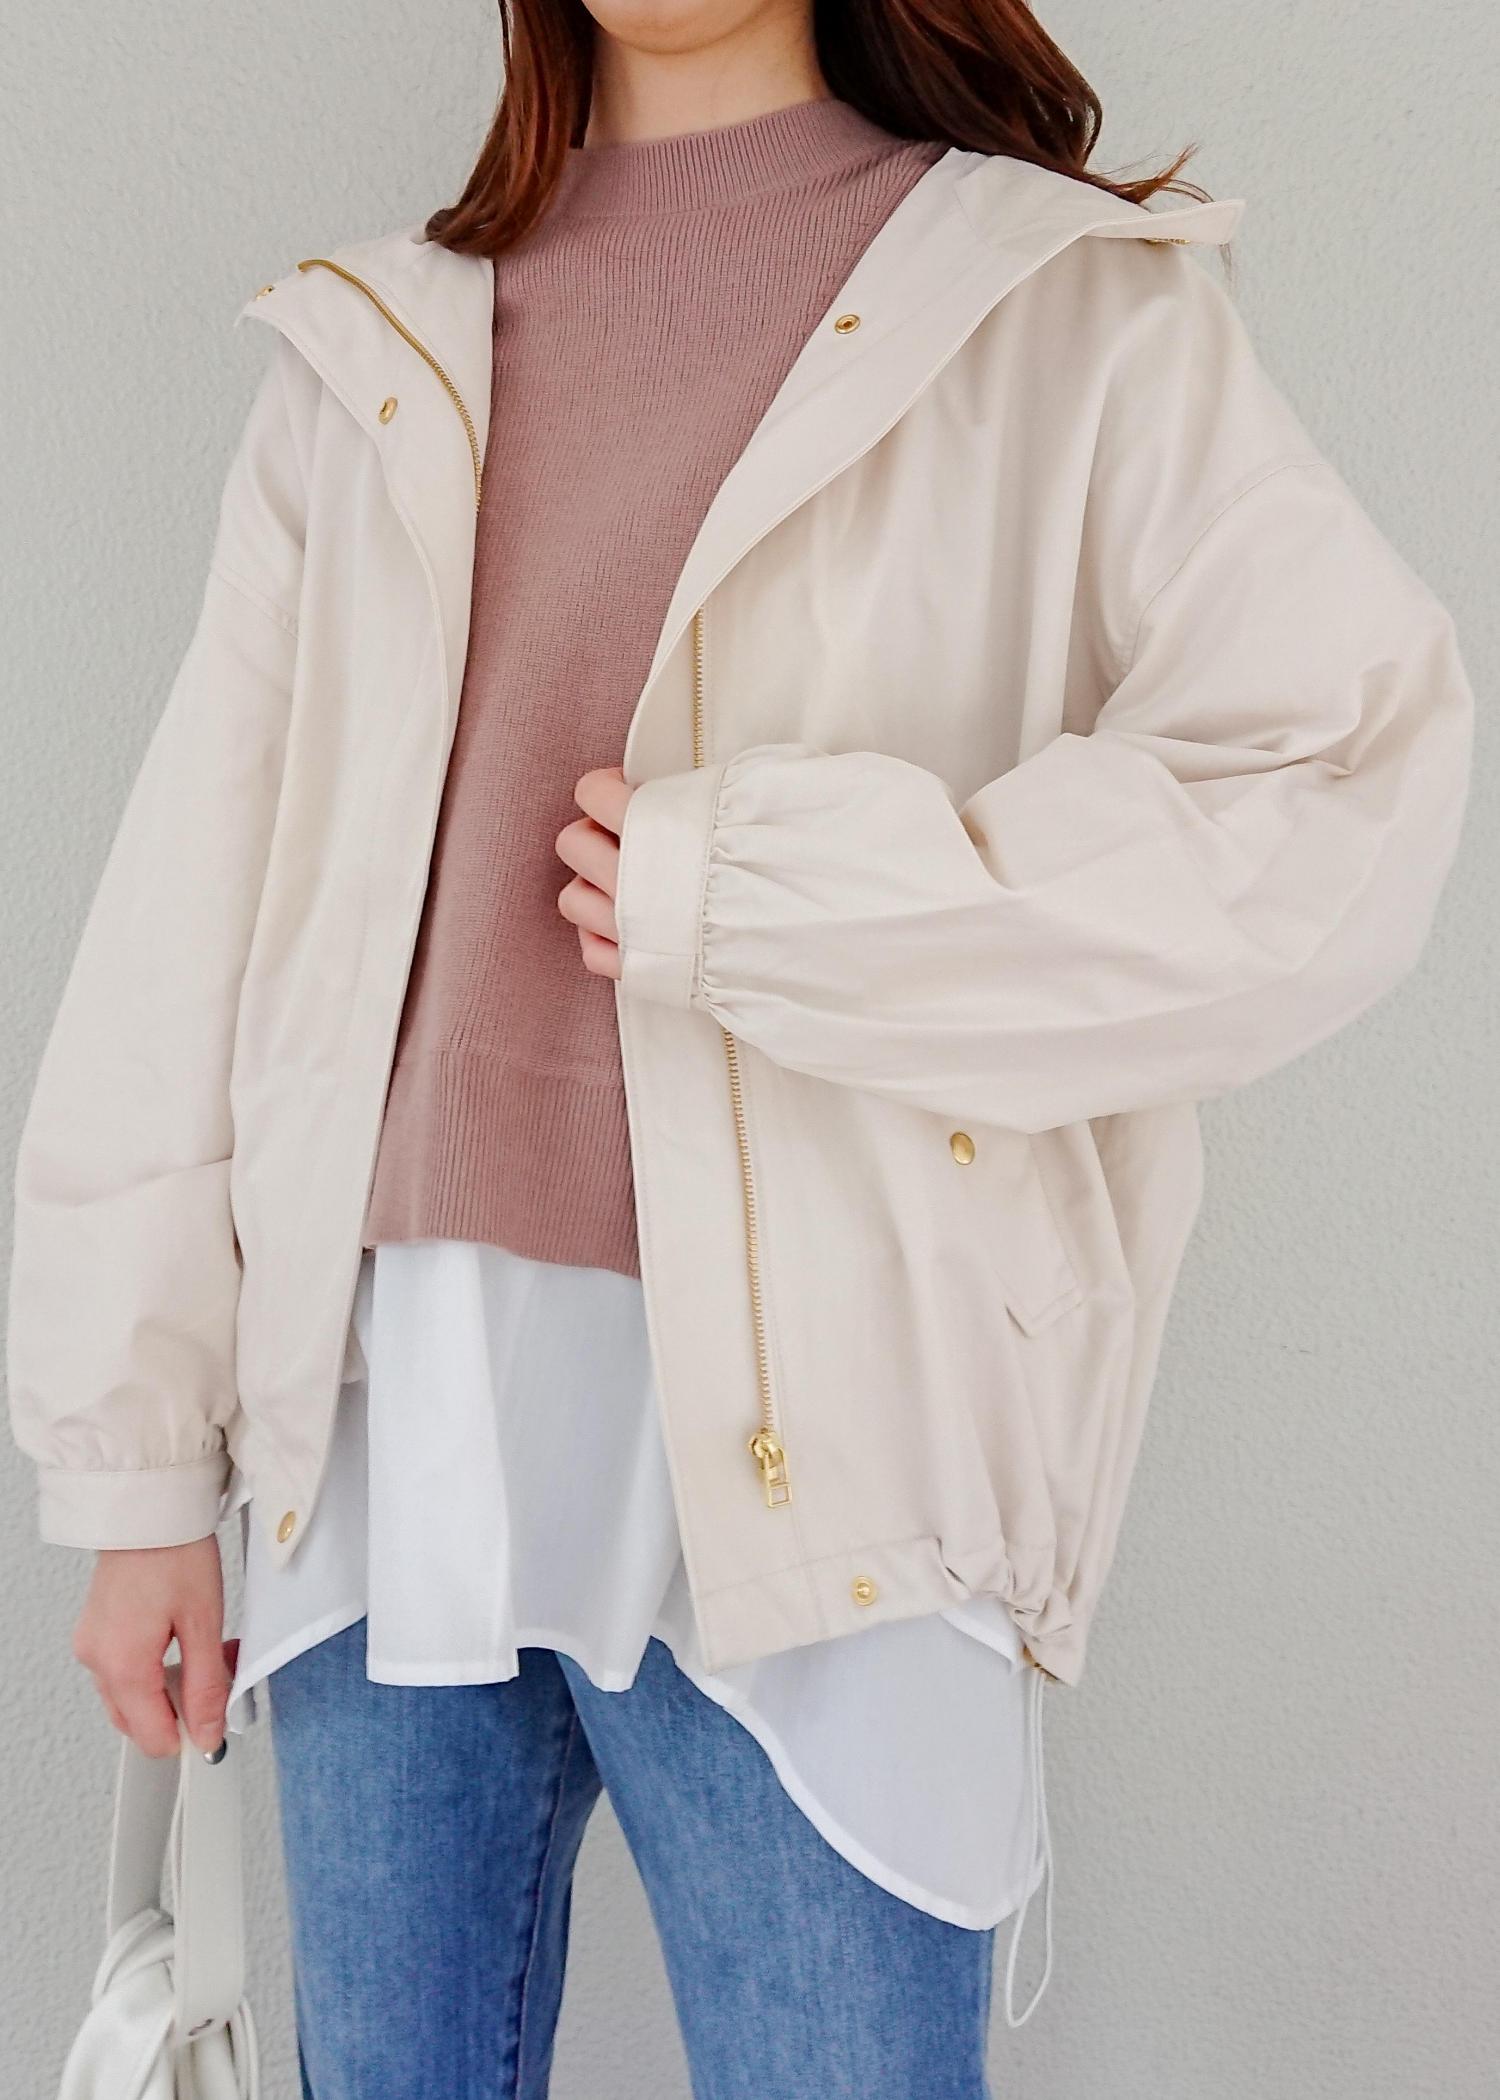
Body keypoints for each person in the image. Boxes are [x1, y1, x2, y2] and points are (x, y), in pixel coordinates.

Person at [7, 2, 1473, 2095]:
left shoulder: (1055, 301)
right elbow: (199, 910)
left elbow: (1339, 775)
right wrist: (142, 1463)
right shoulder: (378, 343)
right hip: (390, 1422)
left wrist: (796, 902)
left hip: (837, 1445)